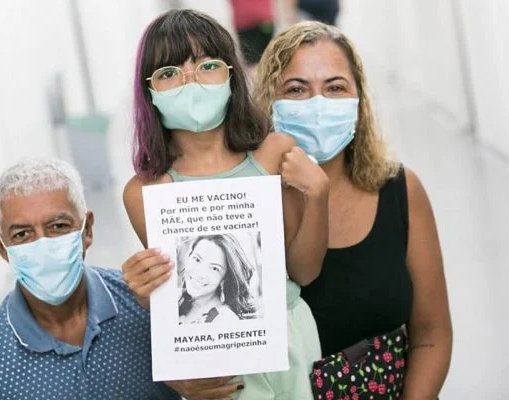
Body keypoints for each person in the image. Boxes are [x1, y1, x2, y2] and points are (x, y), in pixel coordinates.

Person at [121, 9, 329, 400]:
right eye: (168, 73)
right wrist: (146, 291)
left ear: (232, 73)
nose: (191, 82)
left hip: (290, 342)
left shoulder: (274, 154)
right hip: (218, 360)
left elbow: (304, 270)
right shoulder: (145, 191)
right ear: (148, 91)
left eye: (207, 66)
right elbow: (176, 293)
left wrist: (318, 196)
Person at [255, 21, 453, 399]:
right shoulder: (247, 202)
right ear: (269, 102)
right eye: (296, 89)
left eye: (335, 87)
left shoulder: (400, 190)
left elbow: (431, 336)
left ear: (358, 100)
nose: (317, 104)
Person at [0, 159, 180, 400]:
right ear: (0, 246)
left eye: (58, 226)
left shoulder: (147, 307)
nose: (43, 244)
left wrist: (166, 314)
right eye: (22, 234)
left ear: (87, 230)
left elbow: (213, 384)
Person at [178, 234, 261, 324]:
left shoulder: (224, 319)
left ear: (225, 278)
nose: (200, 274)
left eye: (214, 268)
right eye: (197, 259)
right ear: (189, 256)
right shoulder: (178, 299)